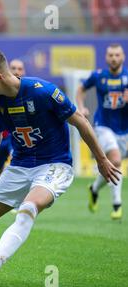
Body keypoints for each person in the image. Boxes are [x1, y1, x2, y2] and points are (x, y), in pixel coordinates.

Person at [0, 50, 120, 287]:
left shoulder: (44, 92)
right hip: (20, 165)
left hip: (54, 164)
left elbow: (80, 122)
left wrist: (101, 159)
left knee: (29, 207)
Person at [76, 43, 127, 220]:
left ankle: (94, 188)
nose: (114, 58)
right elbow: (81, 88)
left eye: (117, 55)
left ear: (123, 57)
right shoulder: (98, 76)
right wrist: (81, 107)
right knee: (115, 160)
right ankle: (117, 204)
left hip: (124, 130)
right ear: (106, 58)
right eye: (111, 55)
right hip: (103, 125)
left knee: (114, 164)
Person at [0, 59, 26, 190]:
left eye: (19, 69)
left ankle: (20, 201)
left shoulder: (29, 91)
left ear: (24, 71)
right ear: (8, 70)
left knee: (19, 165)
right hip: (1, 137)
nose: (16, 71)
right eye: (13, 68)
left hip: (18, 137)